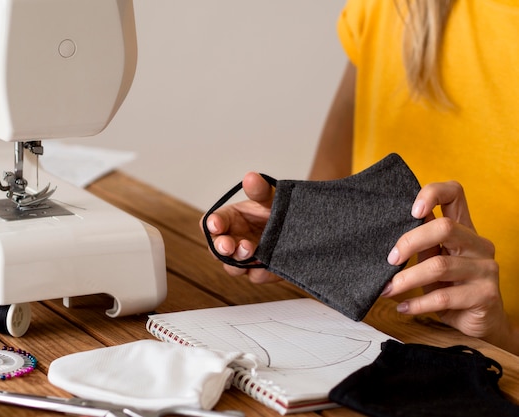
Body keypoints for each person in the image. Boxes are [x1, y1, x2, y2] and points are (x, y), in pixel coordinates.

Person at [202, 0, 519, 355]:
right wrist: (298, 241)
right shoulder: (390, 9)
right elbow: (332, 186)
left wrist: (500, 336)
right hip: (357, 342)